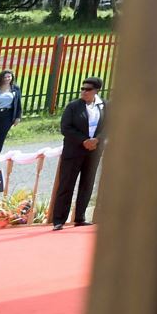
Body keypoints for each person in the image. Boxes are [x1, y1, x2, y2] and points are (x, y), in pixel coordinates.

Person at [50, 77, 105, 229]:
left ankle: (80, 217)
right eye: (82, 88)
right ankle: (59, 220)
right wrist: (84, 141)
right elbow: (66, 128)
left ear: (96, 91)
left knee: (87, 184)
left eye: (88, 89)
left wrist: (97, 140)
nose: (84, 92)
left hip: (93, 152)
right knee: (66, 184)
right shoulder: (73, 106)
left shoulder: (104, 106)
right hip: (74, 150)